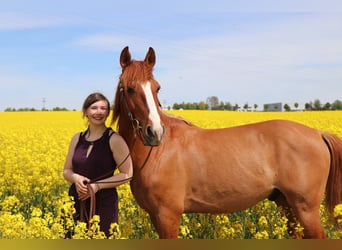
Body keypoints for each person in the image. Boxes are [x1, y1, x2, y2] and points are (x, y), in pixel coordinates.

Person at [63, 92, 133, 237]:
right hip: (76, 199)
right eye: (94, 108)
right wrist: (76, 178)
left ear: (108, 113)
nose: (99, 112)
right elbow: (67, 171)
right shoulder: (77, 138)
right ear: (86, 112)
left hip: (103, 202)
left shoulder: (114, 140)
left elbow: (127, 174)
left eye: (103, 108)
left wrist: (97, 186)